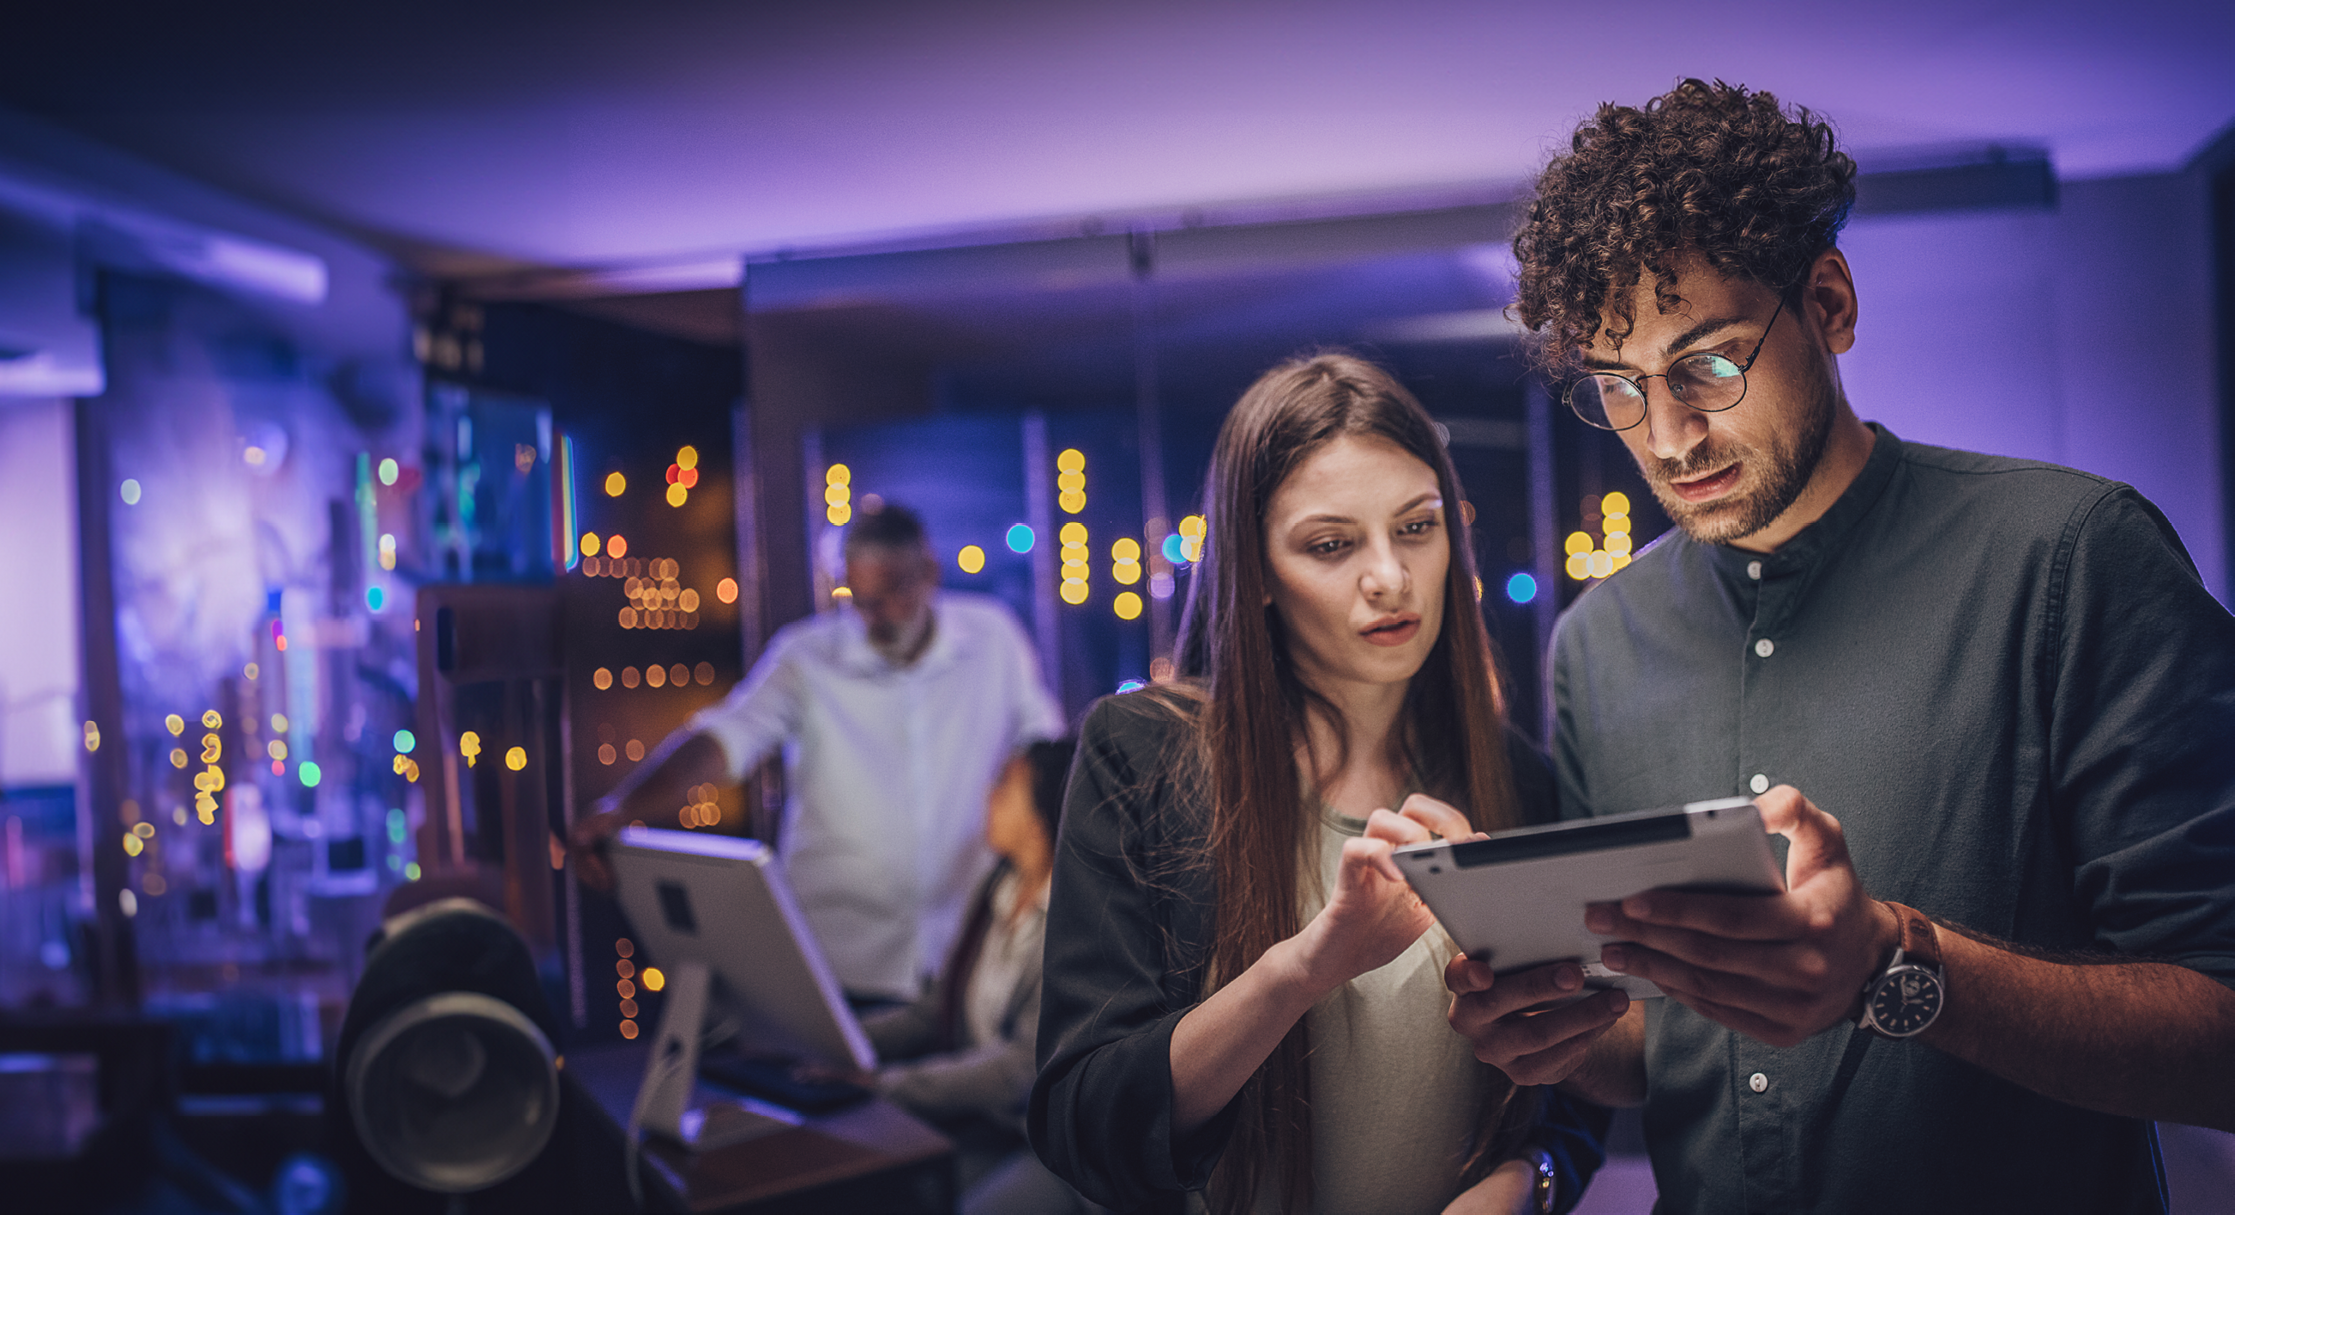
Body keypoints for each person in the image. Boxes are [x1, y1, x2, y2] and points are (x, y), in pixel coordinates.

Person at [1443, 78, 2234, 1211]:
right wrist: (1554, 1033)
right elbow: (1650, 1042)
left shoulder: (2070, 557)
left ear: (1828, 303)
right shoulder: (1596, 643)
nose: (1666, 436)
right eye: (1618, 388)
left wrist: (1895, 964)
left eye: (1706, 363)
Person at [1028, 353, 1610, 1214]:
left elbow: (1577, 1082)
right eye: (1332, 546)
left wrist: (1524, 1184)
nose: (1389, 576)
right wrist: (1301, 968)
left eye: (1416, 527)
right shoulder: (1144, 754)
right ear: (1255, 571)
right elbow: (1086, 1126)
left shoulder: (1513, 775)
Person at [573, 502, 1064, 1005]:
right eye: (859, 598)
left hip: (967, 954)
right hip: (840, 959)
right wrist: (623, 808)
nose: (872, 619)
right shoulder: (806, 655)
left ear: (929, 573)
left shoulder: (994, 637)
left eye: (890, 594)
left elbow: (1043, 751)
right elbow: (725, 738)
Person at [827, 739, 1092, 1213]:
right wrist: (833, 1035)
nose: (989, 796)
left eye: (1006, 788)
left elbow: (1021, 1070)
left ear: (1040, 817)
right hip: (983, 1124)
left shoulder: (1076, 918)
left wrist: (884, 1085)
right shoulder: (996, 888)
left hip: (1046, 1141)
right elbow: (932, 1013)